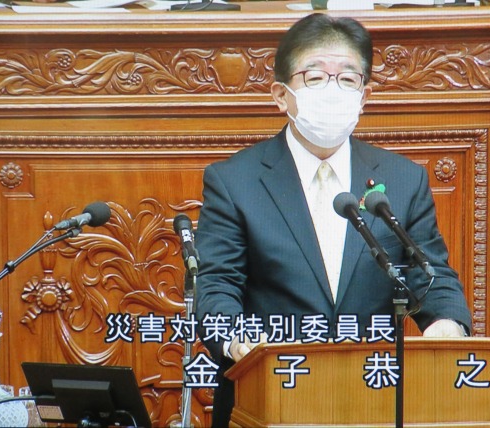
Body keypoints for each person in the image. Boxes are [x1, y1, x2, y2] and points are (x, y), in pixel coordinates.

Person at [195, 13, 472, 427]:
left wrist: (447, 324)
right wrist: (240, 342)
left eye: (347, 79)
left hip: (374, 397)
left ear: (364, 96)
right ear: (281, 95)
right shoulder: (234, 181)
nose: (332, 90)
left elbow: (430, 275)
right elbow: (216, 285)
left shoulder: (402, 179)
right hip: (270, 395)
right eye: (315, 77)